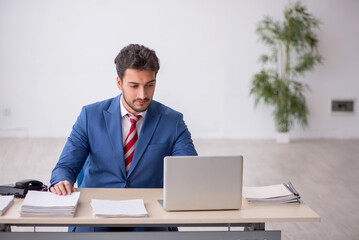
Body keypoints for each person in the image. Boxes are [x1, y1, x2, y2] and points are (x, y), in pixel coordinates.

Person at [50, 44, 197, 232]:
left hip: (150, 222)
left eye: (149, 85)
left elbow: (190, 171)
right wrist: (62, 181)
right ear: (119, 83)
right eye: (134, 86)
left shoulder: (172, 121)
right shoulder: (90, 116)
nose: (142, 95)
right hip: (95, 220)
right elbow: (64, 167)